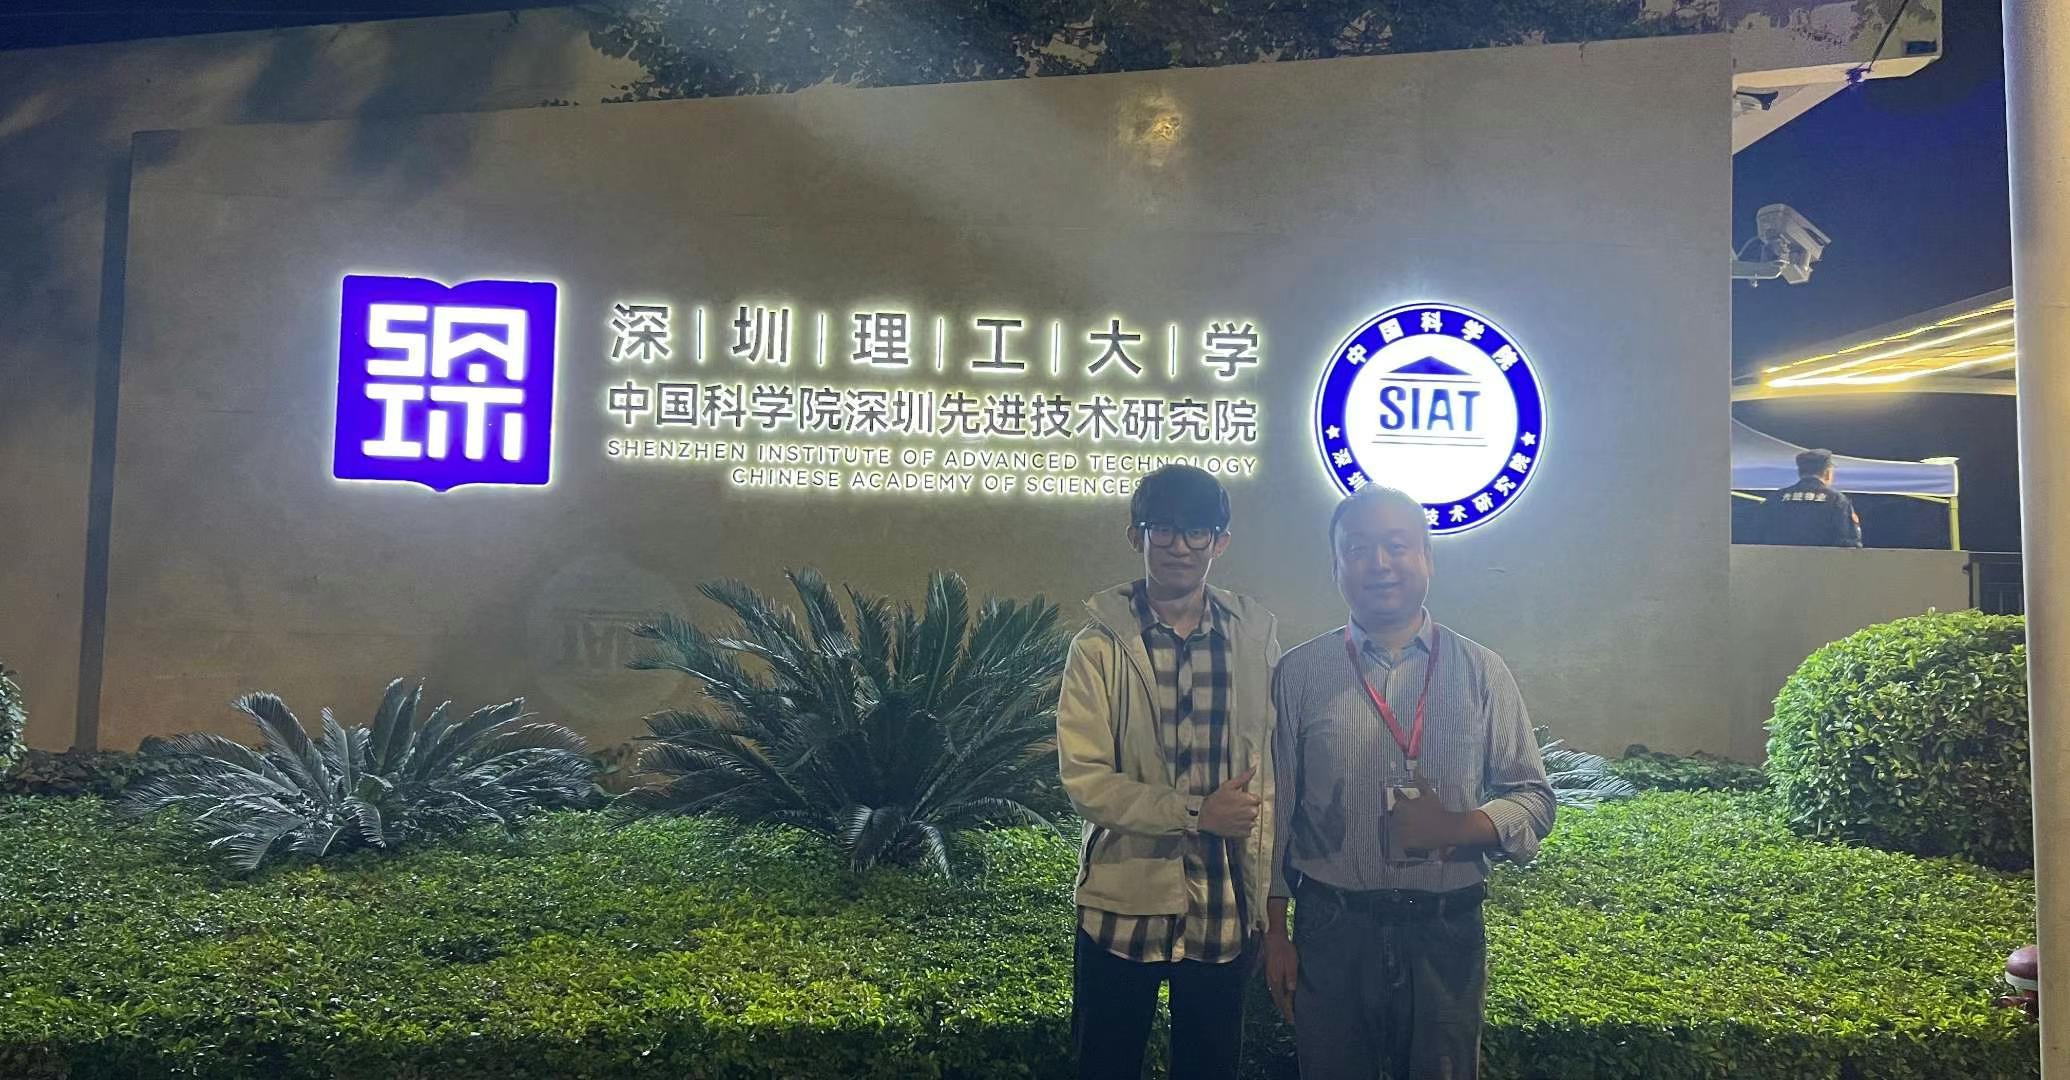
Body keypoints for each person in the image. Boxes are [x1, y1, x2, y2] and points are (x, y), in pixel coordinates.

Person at [1263, 484, 1555, 1080]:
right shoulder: (1299, 674)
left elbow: (1534, 797)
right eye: (1358, 549)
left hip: (1445, 930)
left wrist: (1460, 827)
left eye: (1396, 546)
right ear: (1336, 566)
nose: (1379, 563)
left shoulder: (1482, 671)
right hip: (1333, 929)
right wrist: (1274, 932)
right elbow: (1276, 814)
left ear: (1427, 558)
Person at [1056, 464, 1283, 1080]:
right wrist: (1196, 814)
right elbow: (1086, 780)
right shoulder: (1099, 647)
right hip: (1121, 906)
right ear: (1138, 536)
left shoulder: (1252, 641)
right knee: (1104, 1066)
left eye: (1197, 531)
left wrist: (1268, 899)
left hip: (1222, 905)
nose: (1180, 546)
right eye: (1164, 529)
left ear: (1220, 542)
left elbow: (1269, 771)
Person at [1766, 448, 1863, 547]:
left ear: (1800, 473)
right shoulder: (1837, 500)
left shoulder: (1777, 498)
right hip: (1823, 557)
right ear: (1827, 473)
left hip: (1779, 556)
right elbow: (1850, 542)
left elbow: (1760, 533)